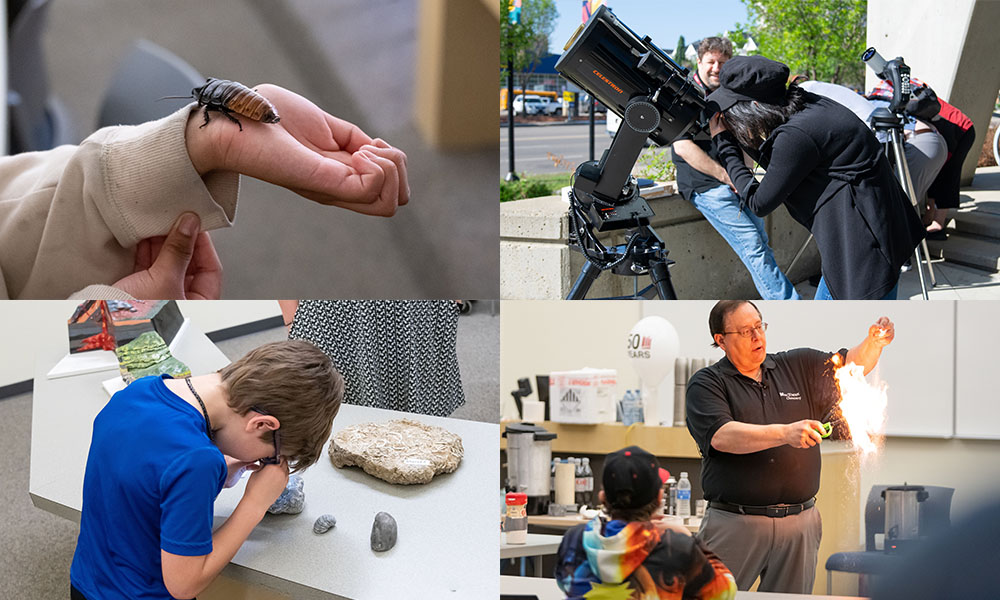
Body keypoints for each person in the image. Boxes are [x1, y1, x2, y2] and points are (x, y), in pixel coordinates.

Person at [0, 84, 410, 300]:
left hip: (245, 104)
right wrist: (112, 315)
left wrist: (203, 145)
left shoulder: (216, 108)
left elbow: (13, 205)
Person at [69, 340, 344, 600]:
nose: (266, 462)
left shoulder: (138, 391)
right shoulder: (197, 461)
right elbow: (184, 584)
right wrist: (254, 504)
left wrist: (223, 470)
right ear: (262, 425)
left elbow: (145, 477)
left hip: (86, 579)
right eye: (273, 456)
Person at [685, 300, 894, 593]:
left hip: (800, 523)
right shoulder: (707, 384)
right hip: (735, 522)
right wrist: (784, 433)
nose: (758, 337)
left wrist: (873, 343)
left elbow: (851, 366)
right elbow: (722, 436)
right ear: (721, 340)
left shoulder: (797, 366)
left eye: (759, 326)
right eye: (746, 331)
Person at [706, 55, 925, 300]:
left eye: (733, 109)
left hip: (864, 251)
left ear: (755, 106)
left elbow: (759, 202)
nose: (731, 115)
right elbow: (784, 165)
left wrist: (724, 143)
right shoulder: (810, 105)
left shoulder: (796, 134)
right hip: (878, 232)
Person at [672, 38, 799, 300]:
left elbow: (747, 139)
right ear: (699, 62)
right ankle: (789, 304)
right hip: (705, 186)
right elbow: (682, 147)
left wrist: (743, 177)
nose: (716, 68)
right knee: (754, 246)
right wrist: (726, 176)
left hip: (734, 180)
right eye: (711, 62)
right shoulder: (683, 94)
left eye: (722, 63)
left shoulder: (732, 92)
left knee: (761, 241)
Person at [555, 445, 737, 600]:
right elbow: (725, 591)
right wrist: (689, 537)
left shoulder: (575, 539)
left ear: (602, 496)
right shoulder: (678, 546)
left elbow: (565, 584)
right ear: (659, 497)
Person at [280, 300, 465, 417]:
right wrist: (291, 318)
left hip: (413, 301)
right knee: (336, 401)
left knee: (418, 407)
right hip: (336, 311)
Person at [798, 79, 948, 221]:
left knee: (899, 210)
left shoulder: (808, 92)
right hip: (931, 141)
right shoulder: (856, 100)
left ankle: (905, 247)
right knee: (905, 208)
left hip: (917, 143)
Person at [868, 78, 976, 239]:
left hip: (961, 130)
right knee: (935, 173)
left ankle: (938, 225)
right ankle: (929, 218)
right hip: (948, 131)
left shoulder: (895, 99)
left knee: (947, 175)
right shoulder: (899, 97)